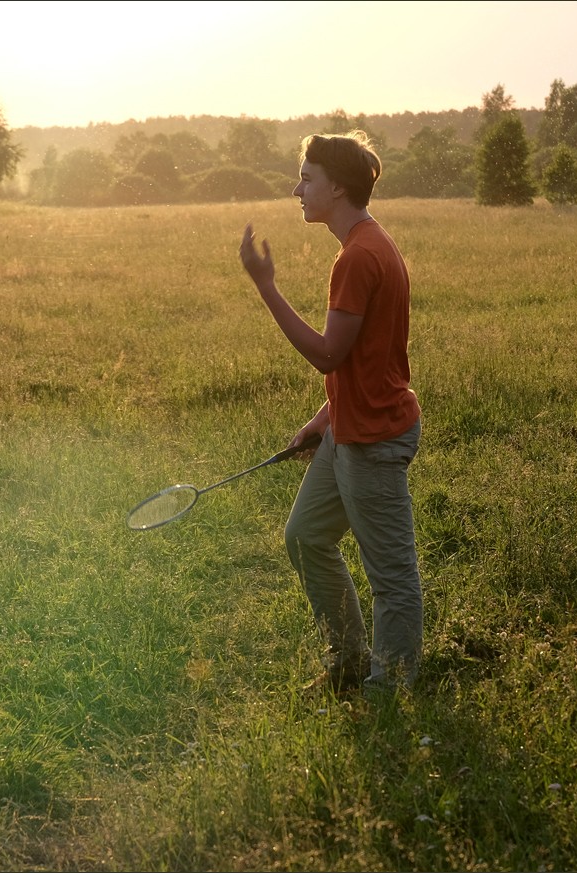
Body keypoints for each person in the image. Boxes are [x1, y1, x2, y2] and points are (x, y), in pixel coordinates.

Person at [238, 131, 422, 697]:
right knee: (305, 537)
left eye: (307, 178)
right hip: (346, 428)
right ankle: (347, 661)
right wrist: (324, 417)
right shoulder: (365, 247)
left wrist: (265, 287)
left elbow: (327, 352)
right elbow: (367, 359)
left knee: (392, 578)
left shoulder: (361, 256)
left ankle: (388, 690)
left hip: (373, 439)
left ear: (337, 186)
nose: (297, 189)